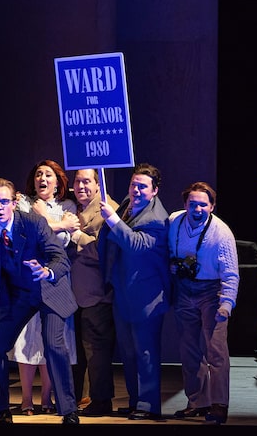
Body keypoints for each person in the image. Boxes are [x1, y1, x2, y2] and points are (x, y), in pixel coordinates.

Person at [0, 177, 80, 425]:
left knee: (53, 345)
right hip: (17, 294)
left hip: (48, 288)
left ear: (14, 203)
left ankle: (68, 410)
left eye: (3, 202)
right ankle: (0, 412)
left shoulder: (33, 223)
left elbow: (60, 259)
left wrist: (46, 271)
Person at [98, 163, 170, 421]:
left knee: (146, 353)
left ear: (155, 191)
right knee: (128, 353)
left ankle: (148, 405)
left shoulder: (157, 220)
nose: (136, 190)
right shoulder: (128, 205)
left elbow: (136, 245)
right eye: (133, 185)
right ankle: (135, 400)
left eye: (142, 186)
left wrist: (113, 220)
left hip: (147, 298)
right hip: (124, 294)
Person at [168, 181, 239, 425]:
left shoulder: (221, 233)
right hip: (184, 289)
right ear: (185, 204)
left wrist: (226, 304)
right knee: (189, 351)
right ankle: (197, 401)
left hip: (212, 292)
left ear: (212, 206)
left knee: (216, 351)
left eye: (203, 204)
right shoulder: (174, 222)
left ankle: (219, 405)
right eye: (192, 204)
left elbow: (231, 274)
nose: (197, 209)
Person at [11, 159, 78, 416]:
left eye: (48, 175)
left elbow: (60, 242)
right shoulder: (23, 204)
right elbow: (30, 234)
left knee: (53, 342)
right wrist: (56, 223)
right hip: (27, 278)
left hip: (56, 278)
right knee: (26, 339)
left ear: (58, 181)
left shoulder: (68, 206)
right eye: (38, 174)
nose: (43, 179)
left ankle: (47, 398)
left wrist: (45, 219)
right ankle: (26, 398)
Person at [66, 168, 116, 417]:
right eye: (77, 181)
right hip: (73, 296)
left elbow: (104, 253)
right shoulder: (71, 209)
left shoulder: (107, 210)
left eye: (87, 181)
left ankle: (101, 401)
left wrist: (76, 235)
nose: (81, 186)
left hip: (97, 294)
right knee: (77, 353)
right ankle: (73, 399)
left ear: (98, 185)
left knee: (96, 352)